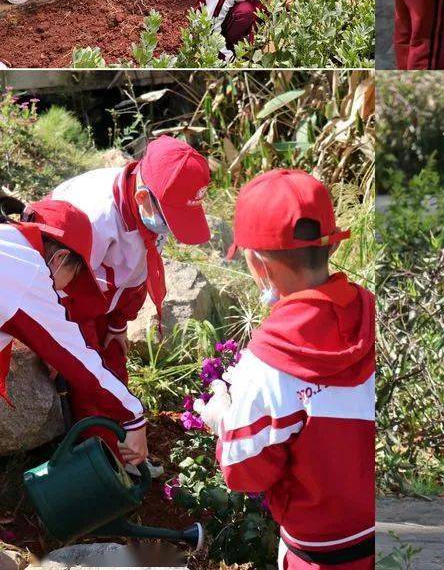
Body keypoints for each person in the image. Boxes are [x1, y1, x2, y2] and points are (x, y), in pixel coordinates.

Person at [195, 169, 375, 569]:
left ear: (257, 263)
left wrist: (222, 418)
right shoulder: (374, 312)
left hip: (320, 556)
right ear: (329, 247)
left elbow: (245, 472)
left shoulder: (269, 362)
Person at [50, 136, 211, 466]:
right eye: (170, 220)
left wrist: (119, 323)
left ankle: (124, 439)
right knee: (90, 379)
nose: (168, 231)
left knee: (114, 361)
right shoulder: (92, 219)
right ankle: (107, 458)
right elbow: (54, 285)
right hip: (67, 298)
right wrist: (55, 345)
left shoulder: (148, 207)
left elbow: (136, 275)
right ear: (143, 198)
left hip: (103, 296)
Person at [0, 196, 147, 466]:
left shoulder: (9, 244)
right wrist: (134, 416)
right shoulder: (29, 272)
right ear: (60, 258)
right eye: (76, 273)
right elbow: (79, 360)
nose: (64, 290)